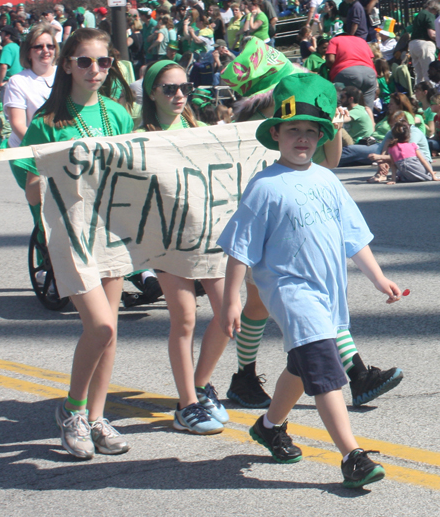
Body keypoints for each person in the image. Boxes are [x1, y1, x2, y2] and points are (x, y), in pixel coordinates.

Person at [218, 72, 401, 488]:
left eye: (311, 130)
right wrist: (231, 301)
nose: (302, 137)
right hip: (290, 292)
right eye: (293, 129)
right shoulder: (264, 187)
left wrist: (378, 278)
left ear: (321, 136)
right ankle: (352, 455)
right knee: (325, 367)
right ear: (277, 133)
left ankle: (268, 426)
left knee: (302, 369)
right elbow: (239, 248)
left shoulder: (326, 179)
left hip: (328, 293)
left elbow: (354, 236)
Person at [22, 28, 135, 459]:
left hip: (110, 231)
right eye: (85, 61)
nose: (95, 70)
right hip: (68, 234)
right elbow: (32, 191)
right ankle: (72, 410)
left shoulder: (117, 115)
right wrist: (54, 169)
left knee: (112, 332)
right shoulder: (45, 124)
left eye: (104, 62)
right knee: (100, 326)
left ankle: (97, 417)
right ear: (67, 63)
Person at [138, 60, 230, 435]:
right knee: (185, 320)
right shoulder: (139, 136)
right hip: (166, 240)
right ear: (151, 93)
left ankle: (200, 384)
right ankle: (186, 404)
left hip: (208, 233)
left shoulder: (200, 131)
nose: (179, 95)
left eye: (185, 88)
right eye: (169, 89)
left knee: (228, 317)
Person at [3, 24, 59, 226]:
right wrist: (43, 149)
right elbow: (18, 123)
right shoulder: (18, 81)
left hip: (60, 147)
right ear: (29, 51)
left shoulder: (66, 76)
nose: (46, 51)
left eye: (50, 46)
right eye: (39, 47)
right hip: (28, 152)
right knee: (44, 210)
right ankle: (46, 252)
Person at [325, 32, 377, 110]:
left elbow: (330, 60)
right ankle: (369, 121)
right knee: (367, 106)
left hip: (346, 73)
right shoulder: (361, 40)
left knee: (342, 104)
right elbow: (372, 58)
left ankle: (342, 121)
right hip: (369, 72)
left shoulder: (334, 40)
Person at [386, 117, 438, 184]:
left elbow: (393, 165)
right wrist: (433, 176)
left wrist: (393, 179)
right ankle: (429, 172)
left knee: (400, 170)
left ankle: (399, 177)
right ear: (409, 135)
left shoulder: (391, 148)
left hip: (408, 177)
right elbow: (424, 160)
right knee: (421, 156)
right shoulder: (413, 146)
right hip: (422, 174)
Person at [408, 0, 440, 85]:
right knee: (429, 75)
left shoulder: (419, 15)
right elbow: (432, 34)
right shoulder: (429, 15)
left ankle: (420, 96)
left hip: (413, 45)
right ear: (435, 9)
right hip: (424, 45)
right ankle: (431, 96)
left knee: (419, 76)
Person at [0, 25, 22, 100]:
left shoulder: (7, 48)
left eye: (2, 33)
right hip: (19, 82)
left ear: (8, 35)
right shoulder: (17, 47)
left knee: (7, 109)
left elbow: (3, 66)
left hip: (8, 83)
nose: (1, 35)